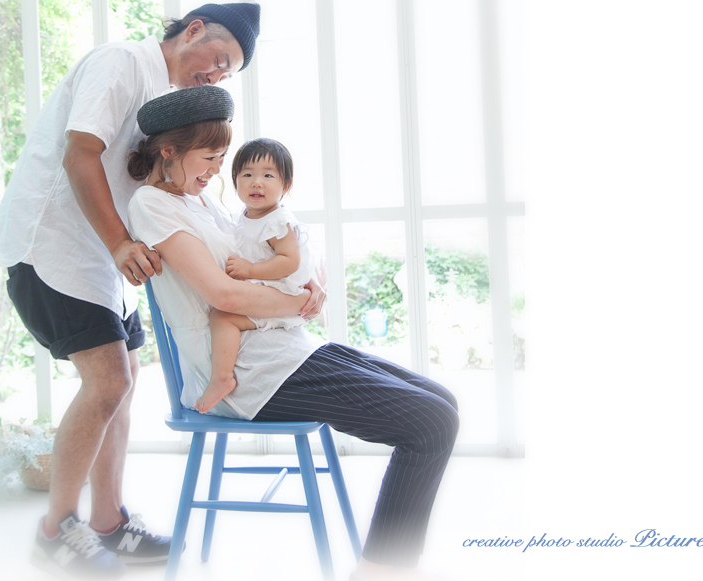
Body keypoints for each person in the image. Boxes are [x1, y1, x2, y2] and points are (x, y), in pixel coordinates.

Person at [0, 4, 321, 579]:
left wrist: (289, 263)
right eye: (219, 58)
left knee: (125, 381)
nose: (218, 74)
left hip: (102, 256)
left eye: (229, 72)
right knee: (108, 381)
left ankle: (108, 521)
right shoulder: (121, 62)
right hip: (51, 245)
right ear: (193, 30)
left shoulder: (170, 102)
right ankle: (55, 530)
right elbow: (80, 152)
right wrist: (119, 243)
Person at [127, 85, 459, 580]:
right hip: (245, 368)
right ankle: (381, 571)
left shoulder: (202, 201)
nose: (217, 170)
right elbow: (224, 295)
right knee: (430, 423)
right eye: (210, 158)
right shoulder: (153, 205)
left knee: (442, 401)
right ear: (169, 152)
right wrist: (296, 304)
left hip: (279, 344)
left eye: (221, 159)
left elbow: (267, 254)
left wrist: (308, 285)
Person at [197, 137, 313, 414]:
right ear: (235, 181)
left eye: (268, 176)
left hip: (280, 293)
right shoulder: (247, 215)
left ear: (285, 186)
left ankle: (222, 378)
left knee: (222, 317)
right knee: (222, 315)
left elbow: (289, 261)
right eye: (247, 175)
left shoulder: (277, 221)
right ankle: (224, 375)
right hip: (266, 289)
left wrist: (250, 270)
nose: (256, 183)